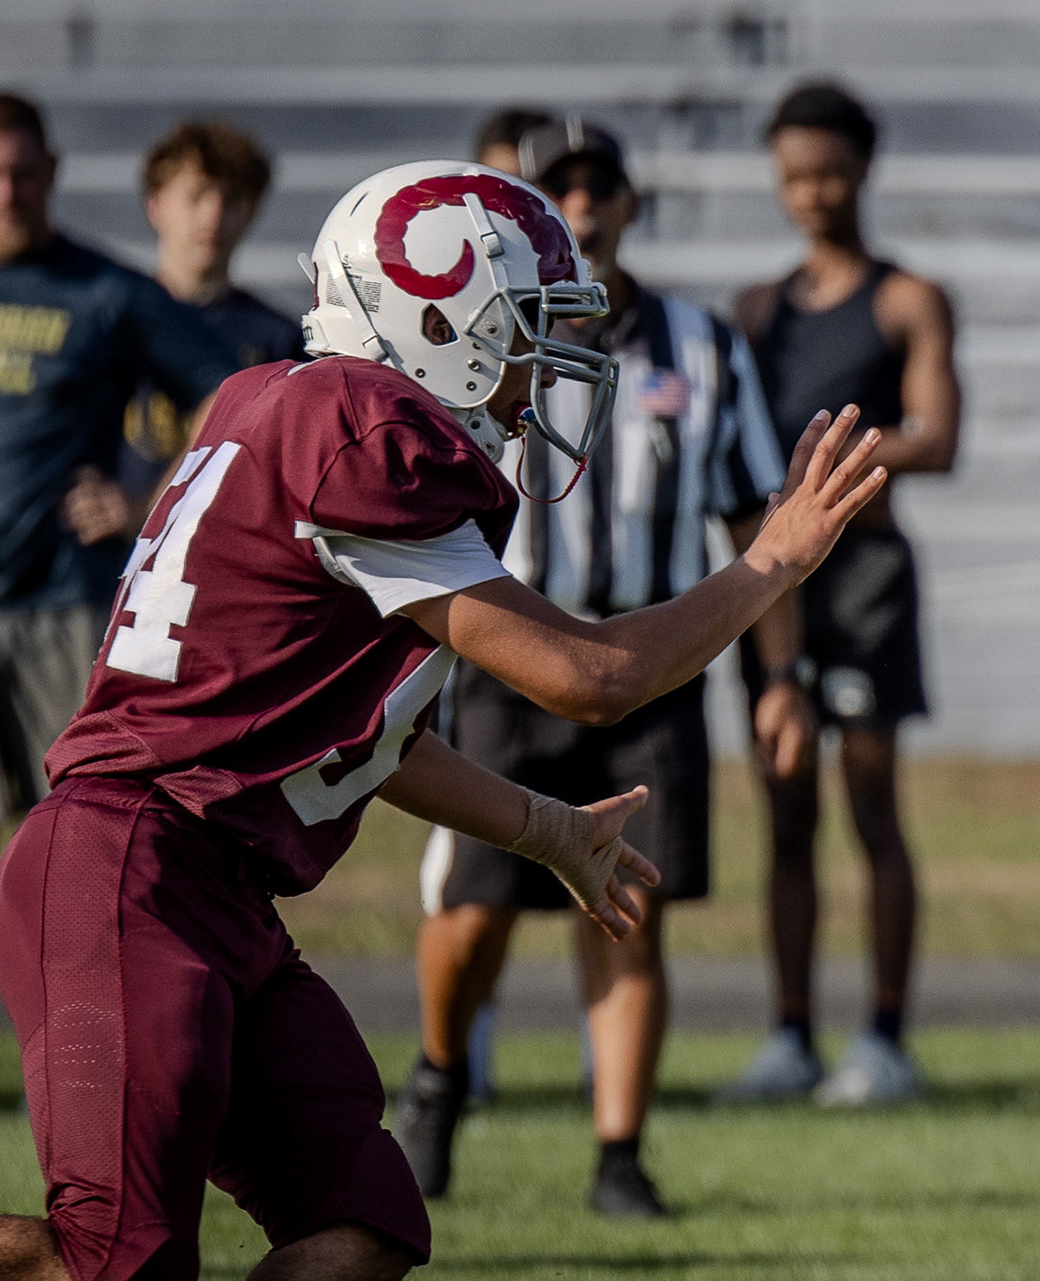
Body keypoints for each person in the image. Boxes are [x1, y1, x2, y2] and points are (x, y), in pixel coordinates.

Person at [0, 159, 883, 1280]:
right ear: (440, 317)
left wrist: (546, 828)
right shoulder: (360, 424)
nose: (546, 365)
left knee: (362, 1230)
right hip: (133, 866)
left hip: (211, 883)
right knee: (122, 1260)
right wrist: (769, 565)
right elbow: (591, 676)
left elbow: (362, 734)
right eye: (527, 328)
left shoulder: (283, 403)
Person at [399, 117, 808, 1217]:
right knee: (476, 907)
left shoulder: (700, 342)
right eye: (559, 189)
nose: (582, 206)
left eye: (599, 186)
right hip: (512, 648)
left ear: (627, 202)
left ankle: (619, 1152)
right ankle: (439, 1079)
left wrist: (779, 679)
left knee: (627, 903)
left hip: (657, 651)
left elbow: (745, 516)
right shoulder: (482, 335)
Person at [0, 91, 237, 1119]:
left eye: (21, 172)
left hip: (62, 611)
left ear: (53, 173)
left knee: (71, 850)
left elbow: (224, 395)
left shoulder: (104, 291)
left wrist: (149, 499)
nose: (3, 192)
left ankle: (79, 1071)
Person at [719, 80, 960, 1106]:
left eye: (826, 173)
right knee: (783, 812)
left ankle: (887, 1039)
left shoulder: (907, 298)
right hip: (776, 586)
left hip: (865, 578)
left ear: (863, 168)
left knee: (871, 807)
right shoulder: (757, 310)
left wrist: (826, 467)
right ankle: (787, 1038)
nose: (810, 194)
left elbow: (939, 439)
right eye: (792, 178)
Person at [118, 120, 308, 494]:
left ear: (252, 212)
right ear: (155, 205)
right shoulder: (111, 318)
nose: (213, 215)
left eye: (232, 199)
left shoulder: (279, 338)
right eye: (197, 195)